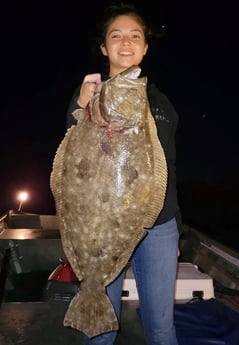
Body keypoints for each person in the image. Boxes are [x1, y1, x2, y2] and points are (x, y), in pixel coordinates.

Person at [66, 2, 181, 344]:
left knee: (162, 327)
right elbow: (72, 159)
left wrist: (175, 225)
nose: (126, 42)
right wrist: (79, 109)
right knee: (100, 329)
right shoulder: (90, 93)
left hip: (159, 226)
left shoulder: (163, 103)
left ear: (145, 47)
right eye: (116, 36)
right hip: (100, 228)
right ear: (104, 47)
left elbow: (167, 167)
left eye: (135, 35)